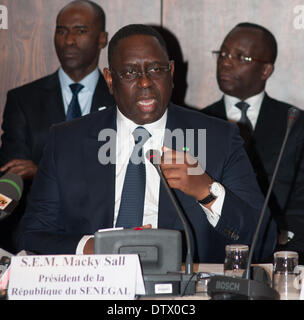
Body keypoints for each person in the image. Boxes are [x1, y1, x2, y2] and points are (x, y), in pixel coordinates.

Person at [16, 24, 276, 263]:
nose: (144, 82)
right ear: (110, 79)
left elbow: (263, 240)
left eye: (155, 70)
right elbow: (32, 235)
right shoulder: (67, 141)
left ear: (171, 73)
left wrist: (207, 191)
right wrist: (92, 247)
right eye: (130, 72)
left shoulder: (217, 138)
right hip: (94, 283)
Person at [0, 0, 115, 252]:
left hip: (102, 232)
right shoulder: (23, 100)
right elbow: (13, 173)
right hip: (38, 236)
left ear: (102, 39)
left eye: (80, 31)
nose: (69, 40)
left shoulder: (118, 100)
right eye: (61, 31)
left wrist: (38, 169)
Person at [203, 22, 304, 262]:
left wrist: (281, 240)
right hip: (213, 252)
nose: (226, 62)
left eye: (241, 57)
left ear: (266, 70)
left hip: (284, 253)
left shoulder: (295, 123)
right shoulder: (200, 122)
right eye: (224, 53)